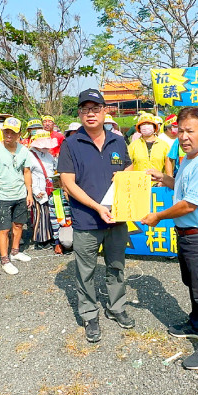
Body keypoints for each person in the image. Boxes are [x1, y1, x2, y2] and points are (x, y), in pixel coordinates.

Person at [141, 106, 198, 370]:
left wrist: (157, 216)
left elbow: (189, 204)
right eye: (180, 131)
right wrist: (162, 177)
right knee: (192, 283)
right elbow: (181, 184)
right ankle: (197, 324)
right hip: (187, 234)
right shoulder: (188, 157)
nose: (184, 136)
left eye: (190, 131)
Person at [58, 88, 135, 343]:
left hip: (117, 217)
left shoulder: (118, 140)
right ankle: (90, 314)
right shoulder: (71, 144)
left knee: (116, 265)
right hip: (87, 220)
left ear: (104, 111)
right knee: (86, 270)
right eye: (85, 110)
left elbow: (129, 165)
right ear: (80, 114)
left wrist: (125, 176)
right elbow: (68, 183)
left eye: (95, 109)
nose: (90, 114)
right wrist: (97, 207)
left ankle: (116, 307)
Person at [0, 117, 34, 271]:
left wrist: (29, 193)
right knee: (4, 229)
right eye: (6, 131)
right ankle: (4, 259)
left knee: (19, 224)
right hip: (2, 196)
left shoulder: (24, 150)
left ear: (19, 134)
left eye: (12, 132)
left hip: (20, 194)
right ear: (2, 132)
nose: (9, 135)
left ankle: (15, 252)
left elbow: (27, 172)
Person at [28, 131, 63, 254]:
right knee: (40, 214)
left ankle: (51, 236)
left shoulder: (48, 155)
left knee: (51, 213)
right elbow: (29, 174)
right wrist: (35, 190)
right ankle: (40, 239)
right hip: (38, 187)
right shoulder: (30, 155)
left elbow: (54, 168)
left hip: (50, 186)